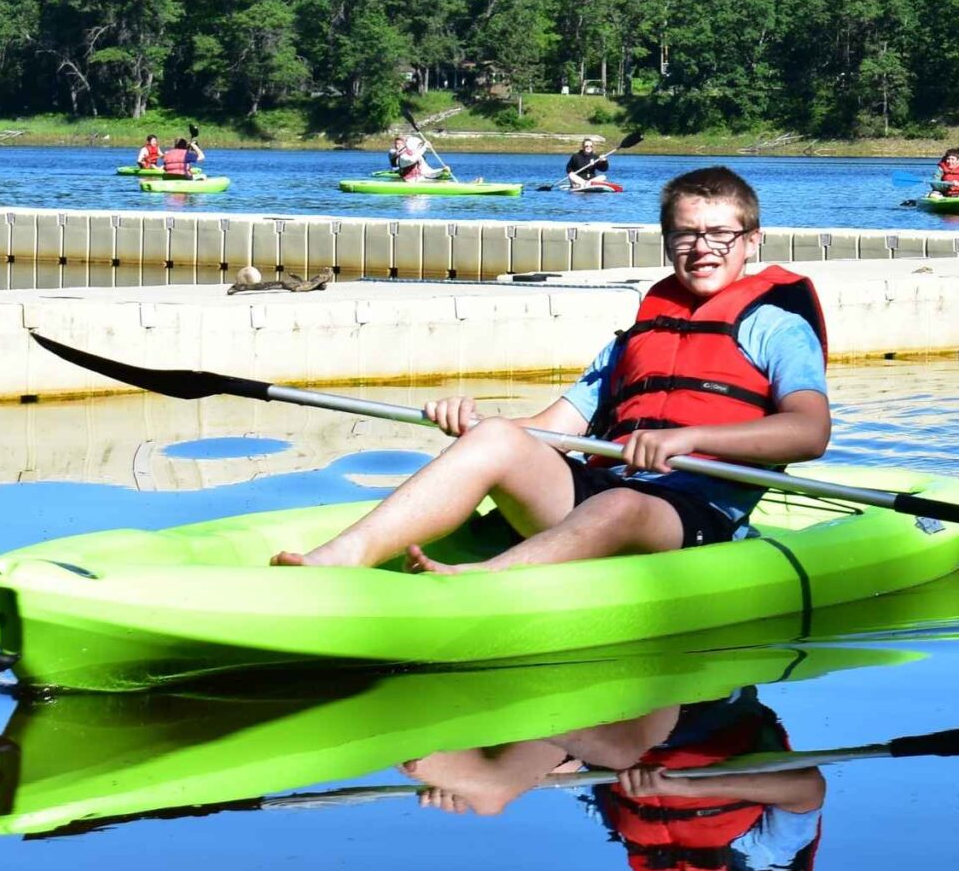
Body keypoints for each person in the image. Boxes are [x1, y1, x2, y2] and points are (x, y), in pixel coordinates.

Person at [274, 165, 830, 571]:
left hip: (694, 513)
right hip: (601, 487)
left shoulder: (777, 329)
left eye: (720, 234)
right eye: (686, 234)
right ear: (667, 241)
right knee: (497, 438)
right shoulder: (637, 337)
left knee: (622, 504)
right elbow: (550, 431)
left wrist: (692, 437)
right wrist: (473, 427)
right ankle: (344, 556)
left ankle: (484, 583)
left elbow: (810, 432)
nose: (701, 247)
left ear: (751, 241)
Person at [405, 684, 824, 871]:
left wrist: (460, 786)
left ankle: (409, 735)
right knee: (618, 751)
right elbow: (805, 788)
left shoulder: (642, 851)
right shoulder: (763, 862)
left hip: (607, 723)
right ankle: (504, 703)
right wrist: (689, 787)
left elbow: (570, 775)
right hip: (700, 708)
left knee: (492, 794)